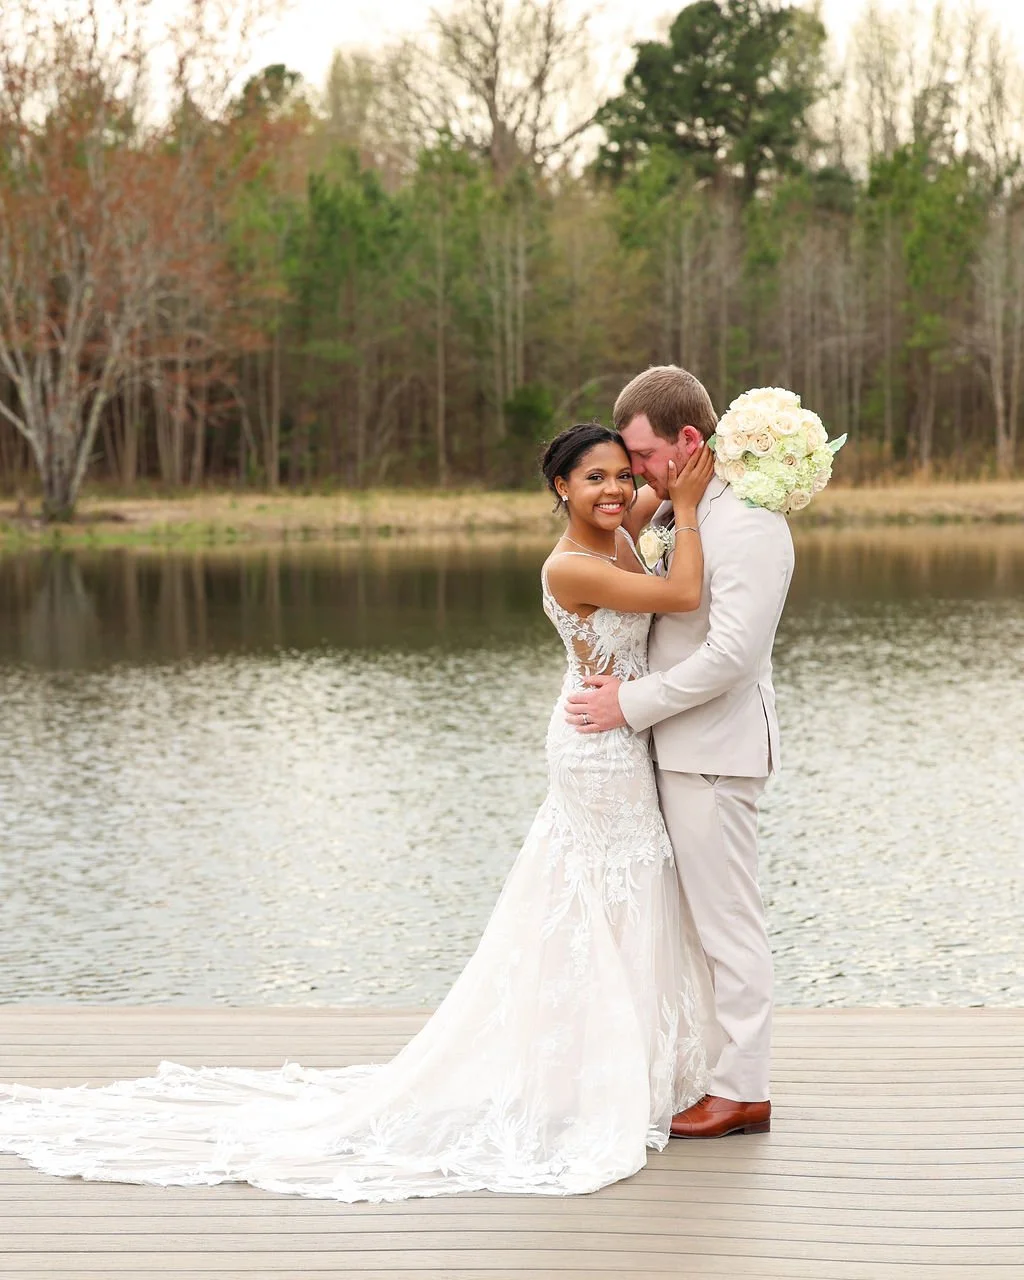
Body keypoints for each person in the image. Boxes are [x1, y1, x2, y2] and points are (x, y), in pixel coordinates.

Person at [0, 422, 723, 1202]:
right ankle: (593, 1079)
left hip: (617, 737)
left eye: (623, 475)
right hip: (595, 750)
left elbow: (667, 480)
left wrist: (713, 465)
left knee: (622, 894)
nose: (617, 490)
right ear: (559, 490)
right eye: (594, 479)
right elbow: (682, 591)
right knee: (607, 898)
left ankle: (617, 1065)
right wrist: (682, 509)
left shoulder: (616, 527)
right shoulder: (573, 564)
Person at [566, 366, 795, 1139]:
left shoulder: (752, 525)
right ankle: (709, 1071)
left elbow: (731, 655)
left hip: (716, 753)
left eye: (641, 458)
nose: (634, 478)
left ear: (688, 442)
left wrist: (629, 704)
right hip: (677, 749)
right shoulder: (689, 510)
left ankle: (744, 1090)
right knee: (697, 925)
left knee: (729, 924)